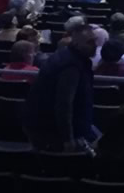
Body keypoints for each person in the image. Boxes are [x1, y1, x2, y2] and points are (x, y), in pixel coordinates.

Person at [21, 24, 96, 152]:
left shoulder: (64, 55)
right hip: (50, 130)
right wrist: (68, 139)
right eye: (90, 42)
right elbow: (64, 104)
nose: (94, 45)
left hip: (44, 124)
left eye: (94, 41)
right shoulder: (71, 66)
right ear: (77, 44)